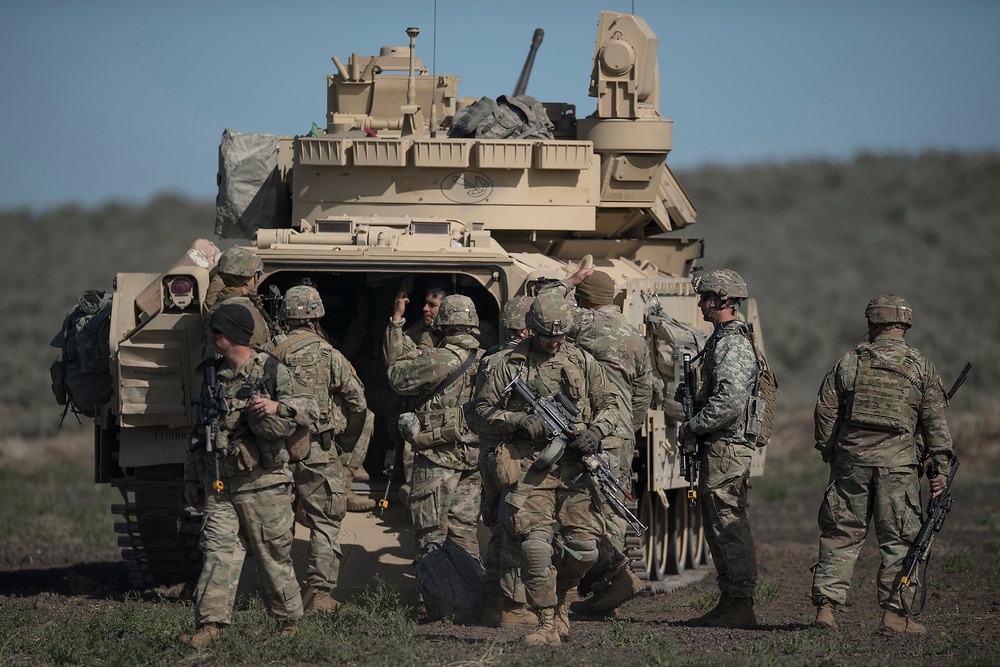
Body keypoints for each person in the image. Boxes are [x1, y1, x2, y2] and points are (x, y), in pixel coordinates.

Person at [475, 293, 619, 646]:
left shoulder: (583, 361)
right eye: (546, 336)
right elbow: (479, 412)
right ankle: (545, 623)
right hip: (529, 470)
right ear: (531, 331)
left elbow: (610, 405)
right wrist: (521, 421)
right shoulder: (508, 365)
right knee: (535, 548)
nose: (554, 343)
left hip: (576, 471)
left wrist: (595, 433)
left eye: (560, 336)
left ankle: (563, 603)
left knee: (586, 549)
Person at [811, 294, 955, 634]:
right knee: (900, 542)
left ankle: (826, 611)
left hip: (851, 464)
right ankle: (895, 615)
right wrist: (940, 469)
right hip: (899, 469)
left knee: (840, 534)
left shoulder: (849, 361)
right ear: (904, 325)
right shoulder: (921, 365)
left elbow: (825, 409)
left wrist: (832, 450)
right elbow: (935, 424)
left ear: (873, 324)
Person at [181, 304, 316, 647]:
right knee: (217, 552)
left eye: (214, 333)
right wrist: (190, 478)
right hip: (220, 483)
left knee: (272, 555)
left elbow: (313, 409)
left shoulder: (272, 370)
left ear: (230, 336)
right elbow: (198, 432)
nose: (210, 339)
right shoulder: (211, 373)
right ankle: (209, 627)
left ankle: (289, 627)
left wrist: (277, 407)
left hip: (264, 482)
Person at [538, 268, 653, 615]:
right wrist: (624, 431)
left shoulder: (584, 323)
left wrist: (566, 283)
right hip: (620, 432)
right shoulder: (634, 334)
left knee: (577, 508)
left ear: (585, 298)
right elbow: (643, 393)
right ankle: (606, 592)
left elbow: (545, 309)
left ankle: (598, 583)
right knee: (612, 509)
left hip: (588, 429)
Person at [270, 285, 370, 612]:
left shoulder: (268, 352)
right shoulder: (330, 355)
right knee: (325, 523)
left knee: (275, 522)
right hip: (319, 451)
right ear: (317, 315)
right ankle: (322, 597)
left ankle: (277, 594)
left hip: (275, 449)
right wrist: (344, 442)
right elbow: (358, 401)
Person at [678, 268, 760, 628]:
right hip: (719, 446)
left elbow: (729, 403)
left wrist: (692, 427)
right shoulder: (721, 340)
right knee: (717, 523)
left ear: (724, 301)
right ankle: (730, 601)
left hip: (727, 446)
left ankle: (740, 603)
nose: (701, 303)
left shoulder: (733, 344)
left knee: (728, 522)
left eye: (706, 297)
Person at [386, 294, 482, 561]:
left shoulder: (437, 358)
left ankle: (434, 599)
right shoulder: (487, 360)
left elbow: (396, 378)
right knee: (465, 533)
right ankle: (471, 595)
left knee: (431, 536)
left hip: (435, 457)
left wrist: (418, 351)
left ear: (442, 324)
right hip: (473, 459)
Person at [475, 295, 538, 628]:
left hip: (490, 454)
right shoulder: (516, 362)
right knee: (517, 528)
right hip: (512, 455)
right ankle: (512, 606)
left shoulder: (489, 358)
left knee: (500, 529)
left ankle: (493, 601)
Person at [383, 286, 447, 507]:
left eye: (433, 305)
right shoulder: (416, 332)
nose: (425, 308)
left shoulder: (462, 335)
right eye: (425, 303)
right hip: (418, 408)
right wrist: (397, 318)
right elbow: (394, 363)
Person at [204, 246, 275, 349]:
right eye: (257, 275)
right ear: (250, 278)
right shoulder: (246, 313)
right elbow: (255, 353)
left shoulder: (216, 303)